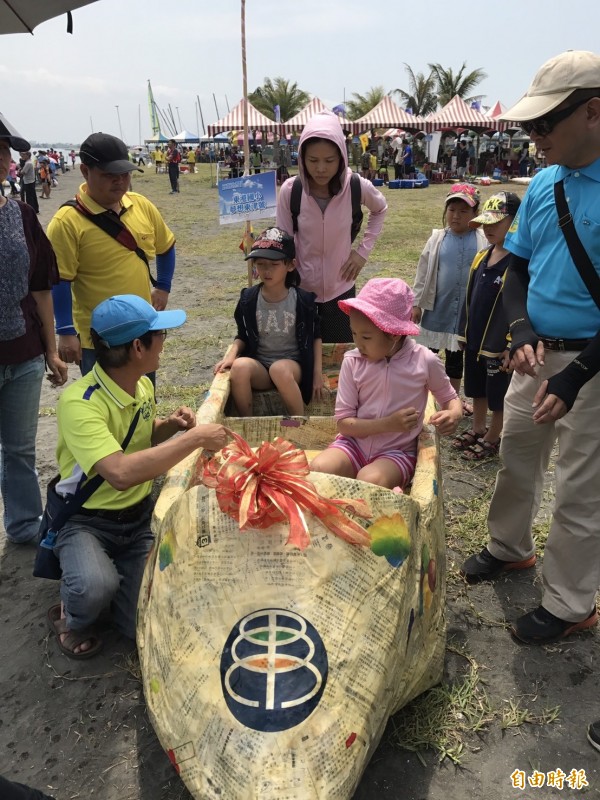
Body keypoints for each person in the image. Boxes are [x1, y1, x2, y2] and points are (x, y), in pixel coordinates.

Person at [460, 50, 600, 645]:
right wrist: (519, 331)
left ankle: (571, 603)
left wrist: (574, 379)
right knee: (516, 455)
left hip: (592, 367)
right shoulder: (544, 183)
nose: (533, 137)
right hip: (536, 355)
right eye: (528, 126)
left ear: (593, 112)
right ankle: (509, 547)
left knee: (579, 487)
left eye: (544, 125)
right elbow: (515, 269)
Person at [48, 295, 230, 658]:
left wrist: (170, 427)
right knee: (93, 587)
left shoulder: (141, 385)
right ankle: (71, 615)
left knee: (142, 623)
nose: (164, 342)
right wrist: (193, 438)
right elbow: (119, 472)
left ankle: (111, 588)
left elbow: (140, 438)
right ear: (136, 347)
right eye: (159, 334)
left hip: (136, 519)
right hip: (86, 520)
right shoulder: (79, 404)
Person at [310, 279, 462, 490]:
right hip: (354, 444)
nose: (358, 343)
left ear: (393, 334)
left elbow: (450, 398)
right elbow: (343, 423)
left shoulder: (424, 361)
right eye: (354, 333)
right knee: (319, 469)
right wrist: (388, 424)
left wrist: (453, 414)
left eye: (366, 337)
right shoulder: (352, 361)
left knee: (370, 481)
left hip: (396, 452)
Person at [47, 132, 176, 376]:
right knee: (105, 407)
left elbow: (166, 246)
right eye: (109, 175)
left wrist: (164, 286)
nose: (119, 182)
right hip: (98, 339)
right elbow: (59, 280)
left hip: (141, 329)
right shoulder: (67, 222)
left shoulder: (141, 205)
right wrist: (65, 330)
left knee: (144, 401)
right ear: (85, 171)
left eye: (124, 174)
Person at [0, 120, 68, 544]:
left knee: (20, 450)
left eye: (4, 153)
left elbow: (42, 287)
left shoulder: (22, 215)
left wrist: (51, 351)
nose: (4, 160)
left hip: (23, 354)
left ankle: (25, 526)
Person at [276, 110, 387, 343]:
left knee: (340, 358)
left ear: (342, 158)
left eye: (329, 161)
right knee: (303, 360)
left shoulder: (356, 186)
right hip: (301, 291)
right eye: (313, 161)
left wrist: (362, 253)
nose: (321, 169)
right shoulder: (290, 191)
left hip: (341, 289)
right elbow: (284, 240)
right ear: (302, 158)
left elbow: (380, 209)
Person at [214, 228, 322, 417]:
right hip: (261, 367)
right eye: (260, 264)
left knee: (279, 369)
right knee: (239, 367)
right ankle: (247, 424)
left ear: (290, 265)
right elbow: (242, 335)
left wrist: (317, 373)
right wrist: (231, 355)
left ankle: (298, 423)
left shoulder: (303, 300)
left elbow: (316, 336)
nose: (266, 270)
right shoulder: (248, 299)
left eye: (274, 264)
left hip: (292, 366)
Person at [453, 191, 521, 461]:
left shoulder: (518, 263)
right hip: (474, 339)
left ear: (516, 223)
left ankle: (494, 434)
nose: (489, 229)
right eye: (486, 223)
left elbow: (522, 306)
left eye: (497, 223)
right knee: (475, 387)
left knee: (497, 393)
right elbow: (468, 295)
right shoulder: (482, 256)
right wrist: (463, 330)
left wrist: (511, 343)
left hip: (497, 345)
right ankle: (478, 427)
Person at [412, 184, 487, 408]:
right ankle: (421, 398)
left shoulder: (483, 239)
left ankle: (451, 401)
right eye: (452, 210)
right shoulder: (437, 239)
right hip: (438, 309)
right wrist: (416, 304)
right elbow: (423, 272)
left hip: (465, 313)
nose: (456, 216)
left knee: (455, 360)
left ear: (476, 213)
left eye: (464, 211)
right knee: (426, 357)